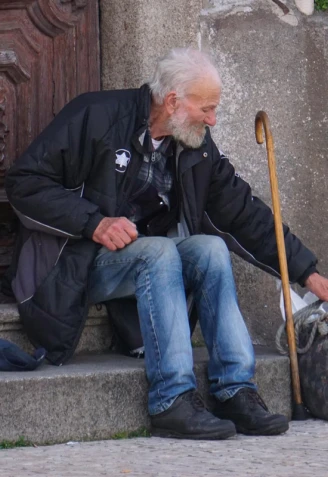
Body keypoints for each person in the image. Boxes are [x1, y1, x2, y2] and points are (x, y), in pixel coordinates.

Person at [5, 48, 328, 441]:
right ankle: (171, 398)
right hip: (72, 264)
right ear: (173, 101)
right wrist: (94, 223)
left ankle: (235, 389)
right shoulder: (96, 115)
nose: (213, 119)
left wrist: (307, 272)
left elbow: (244, 213)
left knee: (209, 250)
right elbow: (24, 183)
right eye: (207, 109)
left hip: (140, 264)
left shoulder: (195, 145)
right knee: (159, 251)